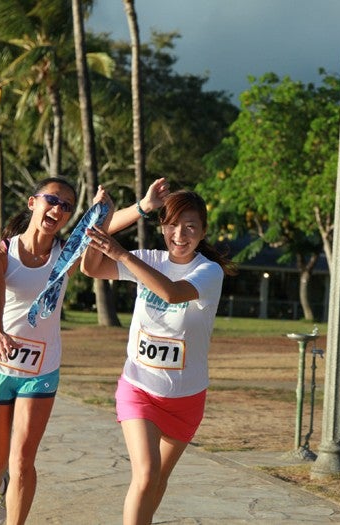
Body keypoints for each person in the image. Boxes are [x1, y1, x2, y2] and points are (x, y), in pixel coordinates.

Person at [81, 181, 237, 525]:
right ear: (163, 226)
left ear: (203, 231)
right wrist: (112, 214)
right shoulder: (149, 258)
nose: (179, 234)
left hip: (186, 398)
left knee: (158, 481)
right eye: (172, 225)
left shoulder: (208, 271)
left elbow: (171, 293)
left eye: (190, 226)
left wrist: (120, 253)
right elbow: (91, 267)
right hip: (139, 388)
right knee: (147, 474)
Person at [0, 177, 100, 525]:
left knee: (22, 461)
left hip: (41, 372)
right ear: (33, 203)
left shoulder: (64, 258)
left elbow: (97, 234)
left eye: (67, 206)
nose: (58, 209)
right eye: (52, 200)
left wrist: (137, 208)